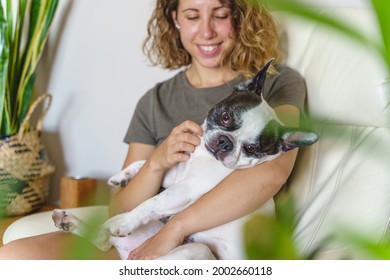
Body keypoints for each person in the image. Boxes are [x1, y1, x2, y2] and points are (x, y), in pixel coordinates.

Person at [0, 0, 306, 260]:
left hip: (201, 250)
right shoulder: (155, 101)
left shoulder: (278, 84)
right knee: (11, 257)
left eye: (221, 15)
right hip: (143, 237)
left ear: (239, 17)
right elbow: (120, 206)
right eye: (192, 16)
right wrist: (158, 161)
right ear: (174, 19)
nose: (207, 31)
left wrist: (176, 228)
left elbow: (272, 173)